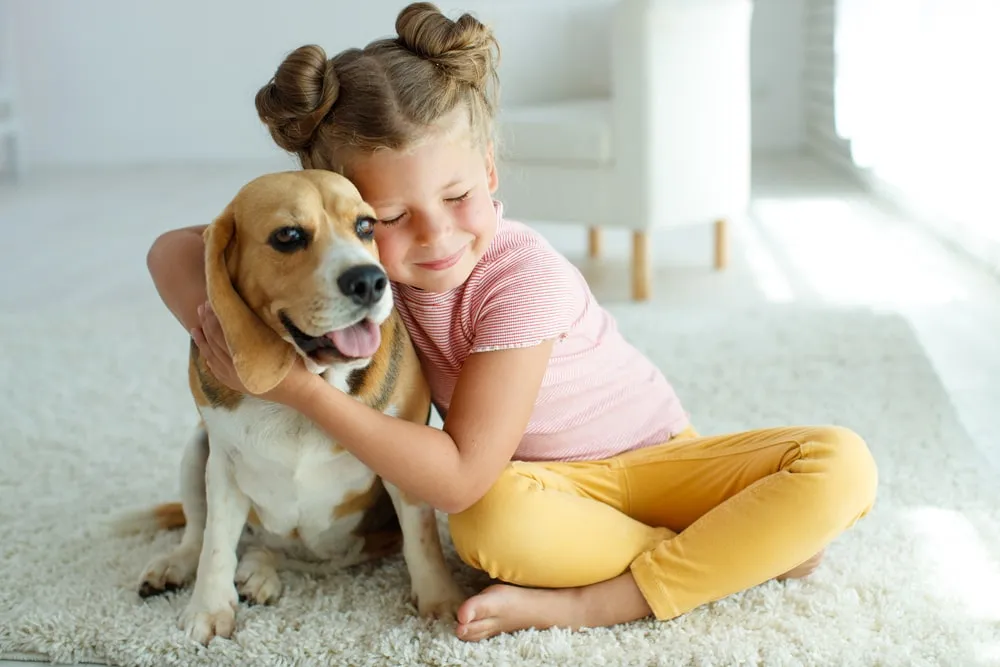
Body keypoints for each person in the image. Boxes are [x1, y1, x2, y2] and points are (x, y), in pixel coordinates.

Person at [146, 1, 878, 643]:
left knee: (841, 463)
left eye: (460, 194)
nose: (435, 237)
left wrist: (298, 388)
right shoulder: (364, 276)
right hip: (540, 490)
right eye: (390, 218)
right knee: (486, 530)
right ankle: (739, 546)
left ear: (491, 172)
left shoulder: (523, 278)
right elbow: (174, 250)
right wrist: (233, 337)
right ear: (340, 206)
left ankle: (605, 600)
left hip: (655, 463)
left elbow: (460, 471)